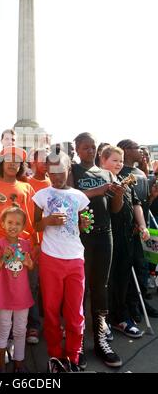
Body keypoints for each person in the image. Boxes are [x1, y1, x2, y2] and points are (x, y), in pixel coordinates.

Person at [33, 150, 90, 372]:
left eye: (61, 171)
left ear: (69, 169)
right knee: (50, 311)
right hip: (50, 259)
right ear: (46, 171)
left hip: (75, 259)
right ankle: (55, 357)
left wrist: (85, 225)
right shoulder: (42, 195)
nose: (56, 176)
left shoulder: (80, 197)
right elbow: (35, 226)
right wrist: (47, 220)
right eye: (52, 172)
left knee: (75, 313)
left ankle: (73, 357)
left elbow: (84, 224)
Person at [70, 132, 123, 369]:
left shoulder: (107, 173)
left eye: (93, 147)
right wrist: (96, 191)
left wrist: (118, 195)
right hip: (81, 237)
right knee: (79, 291)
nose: (90, 151)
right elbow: (70, 199)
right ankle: (76, 343)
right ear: (77, 149)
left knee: (100, 288)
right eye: (85, 147)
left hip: (105, 235)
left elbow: (115, 208)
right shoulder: (73, 171)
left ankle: (101, 340)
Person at [100, 145, 148, 338]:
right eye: (114, 160)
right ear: (103, 161)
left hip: (127, 237)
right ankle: (103, 321)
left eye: (120, 161)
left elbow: (136, 204)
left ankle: (120, 317)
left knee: (123, 279)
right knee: (107, 282)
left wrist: (142, 226)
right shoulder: (99, 182)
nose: (119, 164)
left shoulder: (124, 180)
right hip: (107, 238)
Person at [117, 139, 158, 321]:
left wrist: (153, 197)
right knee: (127, 271)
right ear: (125, 150)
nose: (141, 151)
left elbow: (142, 203)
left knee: (142, 269)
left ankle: (141, 304)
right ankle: (130, 306)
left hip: (142, 229)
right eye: (136, 148)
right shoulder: (121, 173)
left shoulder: (140, 172)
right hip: (127, 231)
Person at [0, 206, 34, 373]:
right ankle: (0, 366)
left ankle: (19, 365)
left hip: (22, 297)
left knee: (21, 330)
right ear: (2, 223)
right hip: (3, 296)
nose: (13, 226)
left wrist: (29, 263)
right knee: (3, 330)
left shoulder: (26, 244)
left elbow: (30, 265)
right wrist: (3, 256)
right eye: (9, 222)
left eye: (17, 223)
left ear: (23, 227)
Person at [25, 148, 51, 345]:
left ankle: (50, 323)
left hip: (53, 244)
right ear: (32, 162)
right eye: (41, 159)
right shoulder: (26, 184)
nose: (46, 162)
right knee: (31, 285)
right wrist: (34, 242)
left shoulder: (56, 182)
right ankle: (32, 325)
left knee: (49, 287)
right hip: (33, 243)